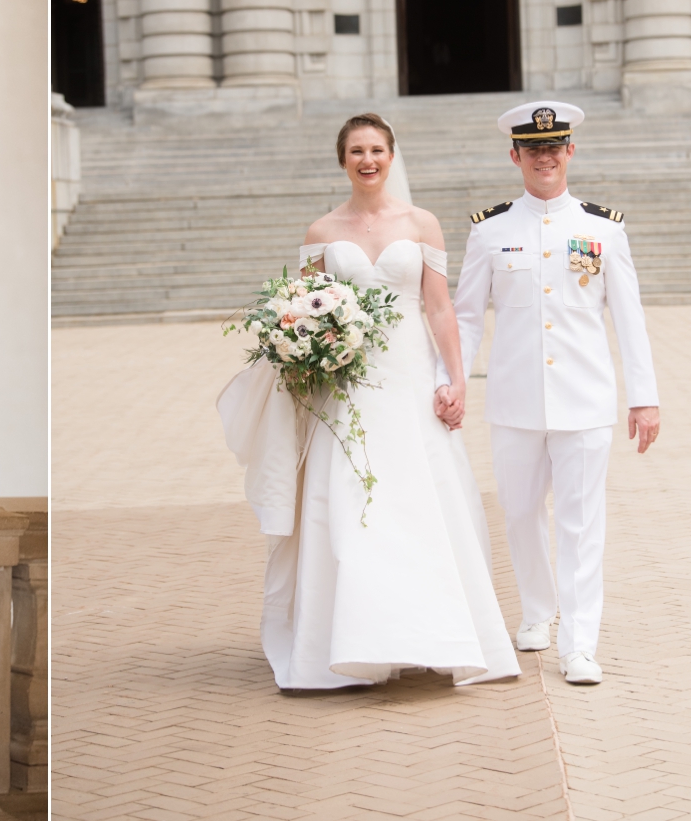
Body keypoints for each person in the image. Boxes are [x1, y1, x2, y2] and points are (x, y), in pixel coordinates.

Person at [219, 113, 519, 690]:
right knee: (352, 501)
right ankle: (353, 639)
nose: (368, 159)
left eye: (377, 149)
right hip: (347, 386)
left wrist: (456, 379)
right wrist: (305, 353)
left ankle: (437, 632)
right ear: (343, 160)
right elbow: (299, 311)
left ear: (391, 155)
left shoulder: (422, 223)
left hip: (409, 379)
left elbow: (439, 309)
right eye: (356, 150)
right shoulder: (321, 233)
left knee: (420, 497)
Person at [452, 101, 659, 686]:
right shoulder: (489, 230)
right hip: (515, 402)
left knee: (581, 523)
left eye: (554, 147)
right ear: (515, 155)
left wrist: (643, 397)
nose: (545, 157)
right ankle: (538, 613)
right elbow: (466, 318)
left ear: (570, 151)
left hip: (585, 400)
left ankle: (580, 644)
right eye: (532, 149)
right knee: (519, 515)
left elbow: (629, 317)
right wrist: (455, 383)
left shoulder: (603, 228)